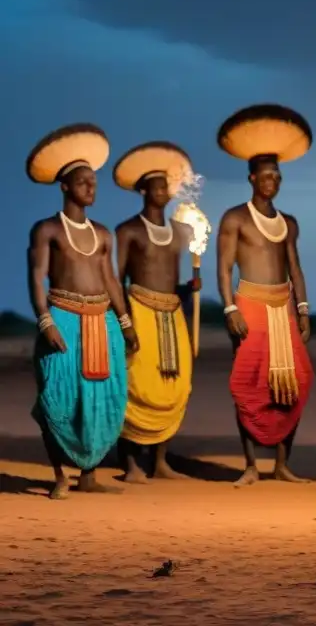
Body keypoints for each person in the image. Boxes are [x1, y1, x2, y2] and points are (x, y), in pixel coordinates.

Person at [26, 124, 140, 499]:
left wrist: (125, 325)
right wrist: (45, 322)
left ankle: (88, 475)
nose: (91, 187)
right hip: (62, 319)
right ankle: (60, 475)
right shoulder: (46, 230)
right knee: (56, 398)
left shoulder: (104, 234)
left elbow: (111, 282)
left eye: (94, 181)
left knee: (100, 399)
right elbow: (37, 278)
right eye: (82, 182)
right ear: (64, 186)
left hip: (102, 322)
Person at [215, 104, 315, 487]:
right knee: (248, 382)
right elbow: (224, 268)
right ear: (252, 177)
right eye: (266, 175)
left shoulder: (288, 222)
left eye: (277, 175)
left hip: (283, 307)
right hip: (250, 306)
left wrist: (303, 310)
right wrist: (228, 308)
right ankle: (251, 465)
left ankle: (282, 464)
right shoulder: (234, 218)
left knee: (297, 380)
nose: (272, 180)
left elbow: (296, 268)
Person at [113, 142, 201, 483]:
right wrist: (125, 322)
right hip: (139, 313)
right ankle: (132, 464)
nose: (165, 191)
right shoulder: (128, 230)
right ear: (143, 190)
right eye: (158, 185)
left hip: (173, 316)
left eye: (167, 185)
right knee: (135, 387)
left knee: (173, 386)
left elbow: (172, 281)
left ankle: (161, 461)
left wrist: (187, 288)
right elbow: (116, 280)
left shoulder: (181, 232)